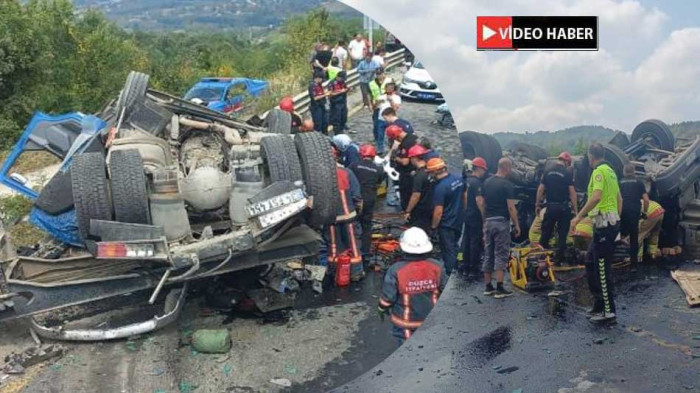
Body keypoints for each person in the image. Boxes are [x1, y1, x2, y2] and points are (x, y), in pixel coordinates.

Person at [570, 143, 622, 324]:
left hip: (604, 224)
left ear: (590, 156)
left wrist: (578, 216)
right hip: (607, 223)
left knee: (601, 268)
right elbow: (618, 199)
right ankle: (599, 303)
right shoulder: (612, 172)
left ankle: (609, 312)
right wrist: (617, 220)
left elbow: (596, 196)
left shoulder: (599, 172)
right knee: (590, 262)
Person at [378, 227, 448, 344]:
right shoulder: (437, 266)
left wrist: (381, 308)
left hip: (405, 324)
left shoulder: (396, 270)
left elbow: (388, 298)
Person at [481, 158, 521, 298]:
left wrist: (484, 221)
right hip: (501, 222)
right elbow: (511, 207)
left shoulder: (487, 182)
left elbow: (483, 204)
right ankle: (499, 288)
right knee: (501, 253)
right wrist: (516, 224)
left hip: (488, 222)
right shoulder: (507, 185)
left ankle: (487, 287)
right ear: (507, 168)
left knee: (488, 253)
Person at [328, 145, 364, 281]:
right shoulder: (346, 172)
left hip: (330, 218)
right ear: (336, 156)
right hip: (349, 216)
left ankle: (333, 272)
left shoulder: (319, 176)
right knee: (354, 246)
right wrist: (358, 211)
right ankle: (356, 272)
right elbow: (356, 195)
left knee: (333, 246)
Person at [535, 151, 578, 263]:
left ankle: (541, 258)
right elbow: (572, 193)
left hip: (551, 206)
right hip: (563, 208)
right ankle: (559, 259)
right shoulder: (567, 173)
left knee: (545, 233)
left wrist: (538, 204)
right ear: (567, 162)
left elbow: (540, 189)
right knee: (562, 234)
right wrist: (575, 209)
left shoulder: (547, 171)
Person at [427, 157, 465, 275]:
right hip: (458, 219)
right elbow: (465, 196)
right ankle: (460, 262)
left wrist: (433, 227)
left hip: (446, 224)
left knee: (448, 250)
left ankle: (451, 274)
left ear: (434, 172)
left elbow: (438, 212)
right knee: (455, 244)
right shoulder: (458, 178)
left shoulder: (440, 188)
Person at [349, 144, 385, 265]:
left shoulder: (354, 166)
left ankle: (351, 248)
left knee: (351, 223)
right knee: (366, 225)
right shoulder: (379, 169)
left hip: (356, 198)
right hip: (370, 199)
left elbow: (347, 177)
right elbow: (379, 182)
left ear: (361, 155)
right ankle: (365, 251)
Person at [461, 157, 488, 277]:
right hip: (475, 216)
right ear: (479, 168)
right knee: (474, 242)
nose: (484, 173)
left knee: (466, 240)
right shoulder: (477, 183)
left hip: (466, 214)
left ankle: (465, 265)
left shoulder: (466, 180)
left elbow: (464, 198)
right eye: (484, 170)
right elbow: (480, 202)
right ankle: (473, 267)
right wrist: (484, 218)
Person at [619, 163, 649, 265]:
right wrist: (644, 213)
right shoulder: (639, 183)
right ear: (634, 172)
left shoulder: (620, 183)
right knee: (633, 237)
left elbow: (617, 199)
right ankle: (633, 265)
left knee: (618, 235)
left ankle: (612, 259)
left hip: (622, 211)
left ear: (624, 172)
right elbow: (646, 200)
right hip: (634, 212)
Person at [386, 124, 418, 212]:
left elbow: (405, 162)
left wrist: (394, 157)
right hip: (414, 171)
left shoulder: (406, 143)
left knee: (405, 194)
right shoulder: (413, 137)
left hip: (407, 173)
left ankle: (407, 211)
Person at [403, 145, 434, 232]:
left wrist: (408, 210)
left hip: (420, 210)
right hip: (431, 206)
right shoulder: (430, 171)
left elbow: (416, 195)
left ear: (414, 158)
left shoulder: (419, 176)